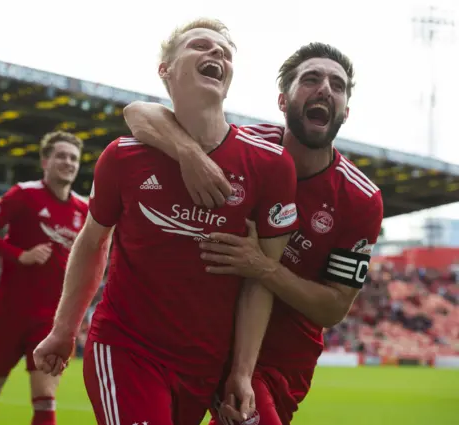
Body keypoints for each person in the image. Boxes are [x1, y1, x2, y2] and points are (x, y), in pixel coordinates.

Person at [33, 18, 299, 425]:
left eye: (224, 53)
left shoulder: (270, 164)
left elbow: (260, 277)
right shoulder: (122, 157)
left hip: (208, 362)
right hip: (128, 349)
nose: (217, 54)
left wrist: (242, 371)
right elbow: (91, 243)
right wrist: (64, 328)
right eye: (199, 46)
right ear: (166, 70)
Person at [123, 42, 384, 425]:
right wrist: (190, 154)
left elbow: (333, 308)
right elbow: (137, 113)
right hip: (204, 336)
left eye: (338, 85)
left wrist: (262, 267)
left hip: (278, 364)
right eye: (311, 78)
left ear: (345, 110)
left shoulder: (361, 199)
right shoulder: (245, 146)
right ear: (282, 100)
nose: (325, 88)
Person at [0, 131, 88, 425]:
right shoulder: (24, 195)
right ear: (45, 161)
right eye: (61, 156)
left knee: (45, 396)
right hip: (10, 314)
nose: (68, 162)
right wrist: (19, 254)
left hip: (51, 320)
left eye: (73, 158)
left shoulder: (83, 210)